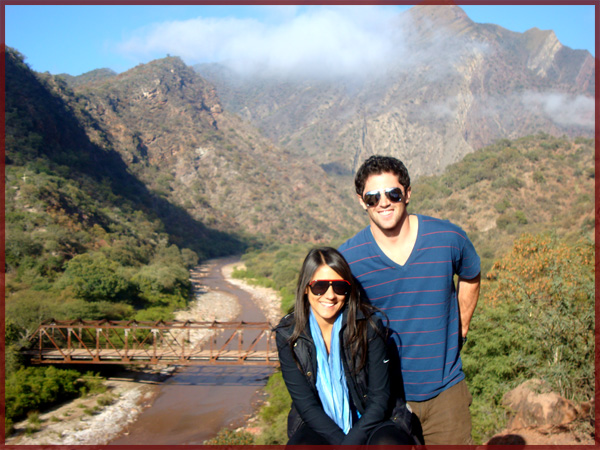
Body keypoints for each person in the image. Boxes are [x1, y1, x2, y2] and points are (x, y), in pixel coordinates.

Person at [338, 155, 481, 445]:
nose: (384, 202)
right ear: (361, 201)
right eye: (373, 196)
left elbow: (471, 274)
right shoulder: (350, 259)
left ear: (407, 193)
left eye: (393, 193)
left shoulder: (447, 238)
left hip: (445, 394)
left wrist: (462, 327)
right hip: (385, 401)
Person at [275, 247, 416, 445]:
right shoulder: (289, 334)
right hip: (319, 422)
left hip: (372, 419)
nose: (330, 295)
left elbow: (379, 399)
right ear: (306, 287)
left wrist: (350, 443)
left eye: (339, 287)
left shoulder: (368, 327)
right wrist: (341, 441)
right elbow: (305, 404)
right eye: (319, 286)